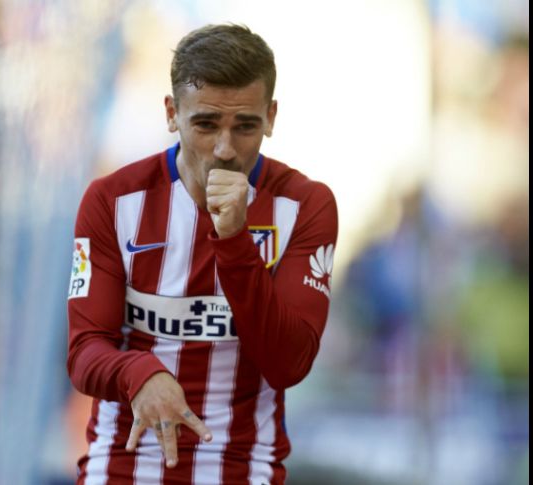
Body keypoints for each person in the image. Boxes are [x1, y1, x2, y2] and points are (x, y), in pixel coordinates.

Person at [67, 23, 339, 485]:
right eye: (206, 124)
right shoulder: (112, 200)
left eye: (246, 126)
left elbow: (288, 363)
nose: (225, 149)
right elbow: (84, 352)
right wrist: (138, 373)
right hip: (123, 467)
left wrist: (234, 240)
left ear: (271, 117)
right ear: (172, 113)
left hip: (239, 469)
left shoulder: (305, 206)